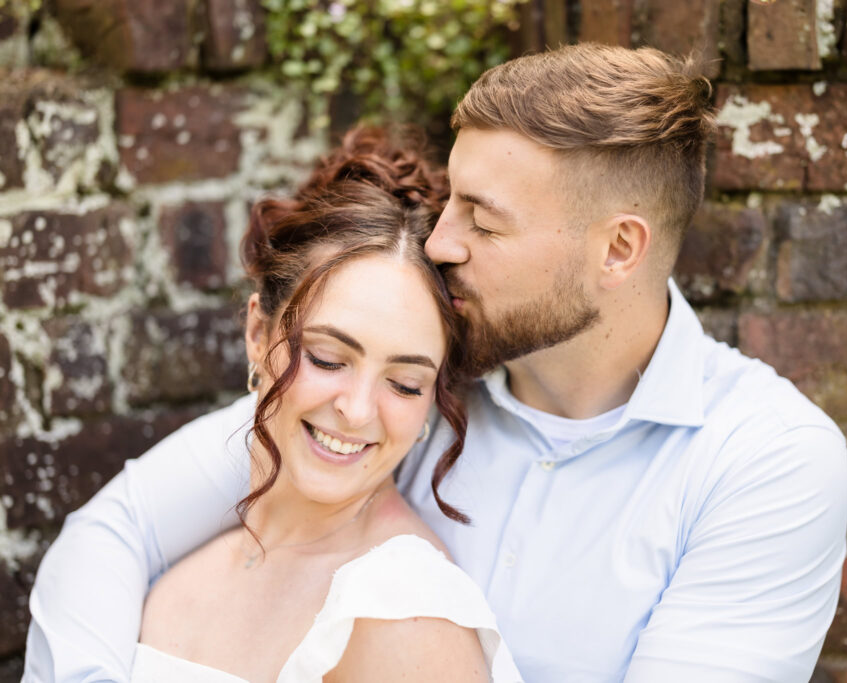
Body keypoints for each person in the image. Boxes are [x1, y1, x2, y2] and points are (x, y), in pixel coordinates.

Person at [26, 44, 847, 682]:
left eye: (484, 223)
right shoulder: (405, 383)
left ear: (619, 249)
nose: (442, 241)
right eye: (450, 201)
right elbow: (118, 528)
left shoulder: (763, 460)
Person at [43, 127, 522, 682]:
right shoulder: (183, 557)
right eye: (326, 358)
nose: (358, 410)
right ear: (256, 332)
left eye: (406, 384)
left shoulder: (405, 615)